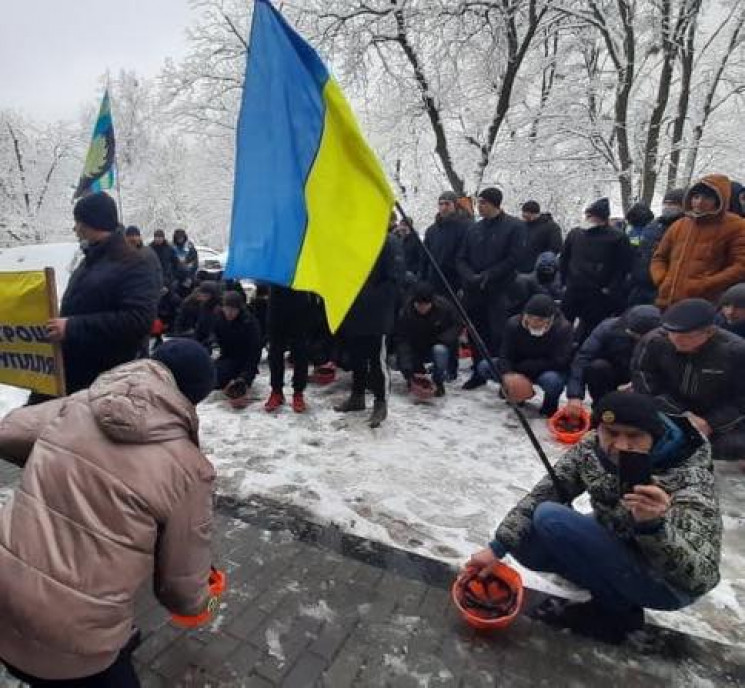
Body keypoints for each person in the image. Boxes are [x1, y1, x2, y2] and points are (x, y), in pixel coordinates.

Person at [0, 339, 217, 685]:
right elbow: (182, 592)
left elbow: (7, 431)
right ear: (191, 399)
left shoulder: (81, 403)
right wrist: (206, 603)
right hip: (74, 642)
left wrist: (57, 459)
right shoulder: (190, 471)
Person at [466, 391, 722, 645]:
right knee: (526, 537)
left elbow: (698, 579)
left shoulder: (688, 477)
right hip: (618, 540)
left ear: (655, 436)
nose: (621, 445)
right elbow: (545, 493)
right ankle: (609, 593)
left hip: (665, 585)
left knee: (550, 518)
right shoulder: (591, 447)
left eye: (634, 436)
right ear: (598, 428)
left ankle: (616, 611)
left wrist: (654, 526)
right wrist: (496, 549)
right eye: (611, 433)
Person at [42, 192, 159, 398]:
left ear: (92, 222)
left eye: (78, 222)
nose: (75, 228)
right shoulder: (89, 260)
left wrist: (71, 327)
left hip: (106, 383)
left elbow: (137, 320)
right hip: (72, 372)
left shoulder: (135, 263)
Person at [632, 298, 745, 462]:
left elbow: (741, 400)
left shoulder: (735, 351)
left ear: (710, 332)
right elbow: (644, 381)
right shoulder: (654, 341)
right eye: (672, 334)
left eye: (687, 336)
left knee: (734, 446)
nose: (677, 341)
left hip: (714, 415)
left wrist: (710, 423)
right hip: (670, 408)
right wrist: (682, 415)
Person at [457, 187, 525, 389]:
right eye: (479, 203)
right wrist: (470, 276)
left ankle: (505, 376)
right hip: (474, 290)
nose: (479, 207)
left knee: (500, 334)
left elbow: (514, 258)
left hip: (500, 289)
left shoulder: (514, 226)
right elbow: (461, 257)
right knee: (476, 332)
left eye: (483, 203)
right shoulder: (474, 229)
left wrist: (489, 274)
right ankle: (479, 371)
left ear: (495, 204)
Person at [335, 233, 403, 427]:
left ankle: (380, 403)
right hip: (355, 310)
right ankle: (357, 396)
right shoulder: (356, 237)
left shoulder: (389, 242)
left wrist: (369, 297)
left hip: (377, 313)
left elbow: (394, 280)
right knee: (356, 356)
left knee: (377, 360)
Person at [651, 174, 745, 308]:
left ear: (720, 200)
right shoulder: (680, 225)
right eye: (696, 197)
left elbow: (740, 266)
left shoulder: (736, 226)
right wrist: (662, 279)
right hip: (667, 302)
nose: (699, 202)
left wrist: (705, 284)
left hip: (705, 305)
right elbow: (659, 257)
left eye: (707, 198)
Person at [477, 294, 573, 417]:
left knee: (553, 381)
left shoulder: (563, 329)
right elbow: (505, 354)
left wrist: (527, 368)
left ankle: (550, 404)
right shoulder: (513, 324)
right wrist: (509, 375)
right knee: (485, 366)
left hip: (545, 369)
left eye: (540, 320)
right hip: (517, 366)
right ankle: (517, 395)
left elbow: (560, 361)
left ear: (550, 319)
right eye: (530, 318)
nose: (534, 323)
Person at [560, 197, 634, 344]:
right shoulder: (575, 234)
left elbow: (623, 267)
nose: (588, 220)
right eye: (587, 216)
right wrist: (564, 282)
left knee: (589, 331)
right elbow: (564, 259)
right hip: (574, 289)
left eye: (591, 217)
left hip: (598, 294)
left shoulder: (617, 238)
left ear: (602, 219)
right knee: (564, 327)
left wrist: (610, 289)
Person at [565, 305, 661, 413]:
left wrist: (637, 384)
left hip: (645, 381)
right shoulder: (608, 328)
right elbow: (583, 358)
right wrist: (575, 395)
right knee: (597, 366)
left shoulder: (664, 338)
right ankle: (601, 407)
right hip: (614, 374)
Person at [396, 282, 461, 397]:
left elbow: (456, 327)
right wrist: (408, 371)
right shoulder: (406, 312)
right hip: (415, 347)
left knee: (440, 351)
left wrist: (441, 340)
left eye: (425, 305)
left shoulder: (445, 308)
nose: (422, 308)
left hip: (438, 345)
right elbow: (402, 342)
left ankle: (438, 381)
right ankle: (417, 379)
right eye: (419, 305)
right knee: (408, 362)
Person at [627, 189, 685, 306]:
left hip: (661, 288)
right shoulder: (653, 226)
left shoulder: (684, 227)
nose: (668, 207)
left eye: (673, 204)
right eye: (666, 203)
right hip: (639, 287)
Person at [265, 285, 315, 413]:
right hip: (276, 301)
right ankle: (276, 391)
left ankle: (298, 393)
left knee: (300, 351)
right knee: (275, 351)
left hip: (300, 302)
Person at [421, 191, 470, 297]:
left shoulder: (466, 227)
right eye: (441, 204)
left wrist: (464, 284)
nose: (443, 207)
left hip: (456, 283)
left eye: (447, 204)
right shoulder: (432, 230)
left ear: (455, 205)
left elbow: (468, 257)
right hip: (434, 282)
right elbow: (425, 257)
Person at [213, 291, 263, 391]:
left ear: (239, 309)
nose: (229, 313)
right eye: (226, 308)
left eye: (233, 309)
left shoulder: (249, 323)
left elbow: (255, 352)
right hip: (228, 358)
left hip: (245, 361)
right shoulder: (219, 320)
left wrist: (246, 376)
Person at [173, 280, 221, 348]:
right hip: (201, 337)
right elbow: (200, 325)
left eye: (206, 296)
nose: (204, 298)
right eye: (203, 295)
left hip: (213, 341)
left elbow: (216, 329)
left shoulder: (218, 308)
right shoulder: (202, 305)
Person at [518, 201, 563, 273]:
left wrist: (543, 261)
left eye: (527, 217)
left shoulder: (551, 227)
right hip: (520, 268)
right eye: (523, 216)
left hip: (539, 269)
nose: (524, 219)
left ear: (534, 214)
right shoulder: (523, 225)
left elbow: (556, 247)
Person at [172, 228, 199, 297]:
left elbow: (195, 264)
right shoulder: (172, 248)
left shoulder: (190, 247)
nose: (180, 239)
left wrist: (189, 277)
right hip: (176, 277)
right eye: (178, 237)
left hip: (188, 276)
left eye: (181, 237)